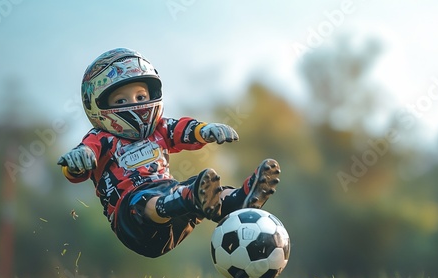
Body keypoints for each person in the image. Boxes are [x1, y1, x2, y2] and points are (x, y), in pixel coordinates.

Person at [58, 48, 281, 258]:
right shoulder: (101, 138)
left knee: (199, 186)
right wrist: (77, 161)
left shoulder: (158, 128)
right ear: (97, 105)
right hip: (133, 223)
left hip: (174, 209)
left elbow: (181, 129)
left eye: (140, 97)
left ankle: (236, 200)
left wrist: (205, 130)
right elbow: (78, 168)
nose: (135, 105)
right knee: (145, 199)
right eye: (122, 100)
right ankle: (186, 198)